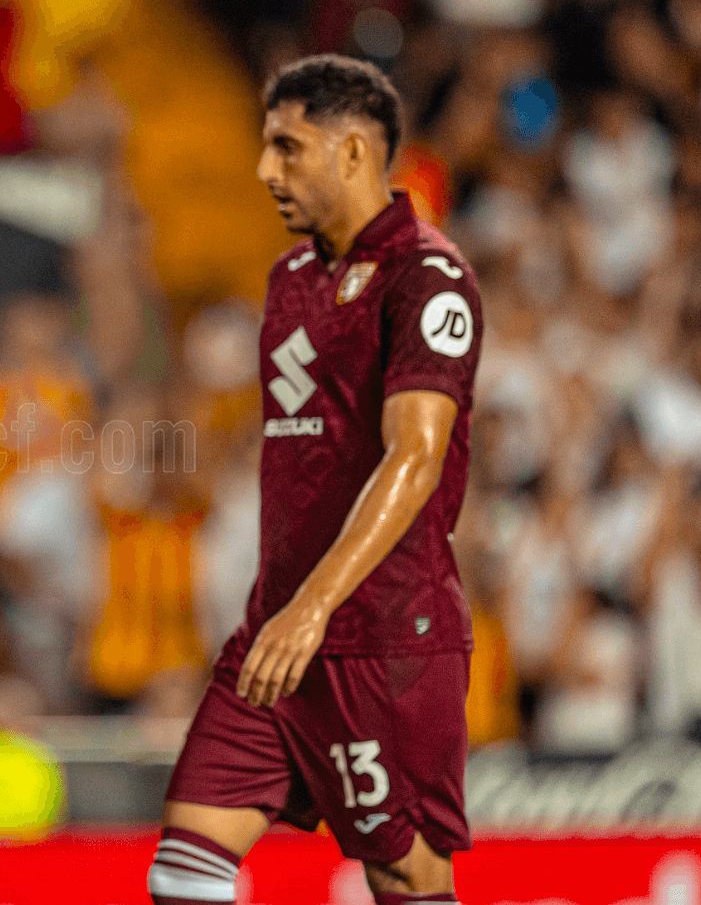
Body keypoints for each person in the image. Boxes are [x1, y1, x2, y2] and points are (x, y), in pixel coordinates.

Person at [150, 55, 482, 904]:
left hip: (381, 638)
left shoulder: (428, 277)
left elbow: (416, 458)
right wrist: (286, 609)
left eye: (287, 148)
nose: (266, 170)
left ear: (354, 153)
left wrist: (314, 607)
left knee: (404, 877)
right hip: (279, 628)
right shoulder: (290, 279)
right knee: (183, 870)